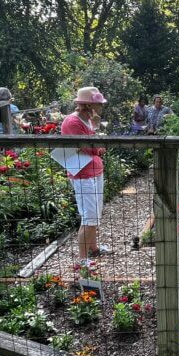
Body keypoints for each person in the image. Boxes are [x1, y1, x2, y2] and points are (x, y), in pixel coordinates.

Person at [59, 87, 112, 260]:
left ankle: (93, 248)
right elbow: (90, 147)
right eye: (97, 104)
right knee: (89, 216)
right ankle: (83, 260)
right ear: (87, 105)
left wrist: (95, 132)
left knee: (95, 213)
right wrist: (98, 146)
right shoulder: (73, 122)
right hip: (83, 174)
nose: (100, 107)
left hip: (94, 170)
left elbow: (93, 145)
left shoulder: (88, 120)